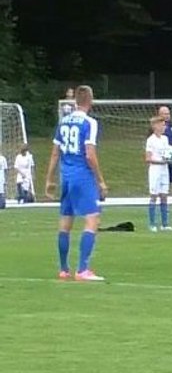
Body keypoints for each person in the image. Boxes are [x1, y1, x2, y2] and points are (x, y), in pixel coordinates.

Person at [44, 85, 107, 281]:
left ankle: (64, 269)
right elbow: (89, 154)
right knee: (93, 219)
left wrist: (49, 179)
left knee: (65, 222)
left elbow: (55, 152)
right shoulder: (89, 123)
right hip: (82, 175)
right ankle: (82, 269)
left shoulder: (63, 122)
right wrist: (100, 181)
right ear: (90, 100)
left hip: (66, 176)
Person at [144, 116, 172, 232]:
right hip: (155, 169)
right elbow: (147, 158)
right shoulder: (150, 140)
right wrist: (161, 161)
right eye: (162, 125)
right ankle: (152, 224)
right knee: (154, 196)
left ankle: (165, 224)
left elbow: (167, 152)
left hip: (164, 169)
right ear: (155, 126)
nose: (165, 127)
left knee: (164, 195)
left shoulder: (165, 139)